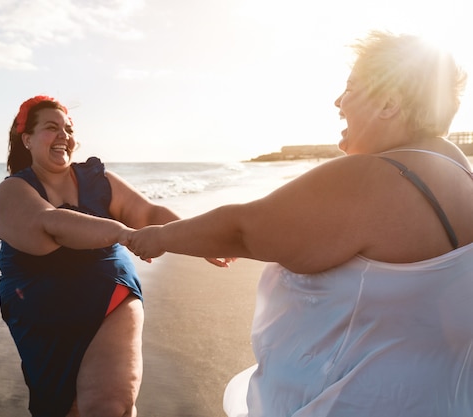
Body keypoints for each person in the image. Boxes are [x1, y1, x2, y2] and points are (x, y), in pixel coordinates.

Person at [125, 31, 473, 416]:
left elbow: (242, 229)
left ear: (390, 102)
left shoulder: (375, 176)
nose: (338, 101)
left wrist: (158, 236)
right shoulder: (461, 175)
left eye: (351, 87)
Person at [0, 96, 231, 417]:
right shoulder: (13, 191)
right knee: (64, 409)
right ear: (27, 139)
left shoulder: (97, 180)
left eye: (69, 128)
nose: (64, 135)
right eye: (52, 128)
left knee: (108, 406)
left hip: (109, 295)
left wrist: (199, 239)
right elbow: (50, 225)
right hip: (41, 314)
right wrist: (122, 233)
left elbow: (148, 212)